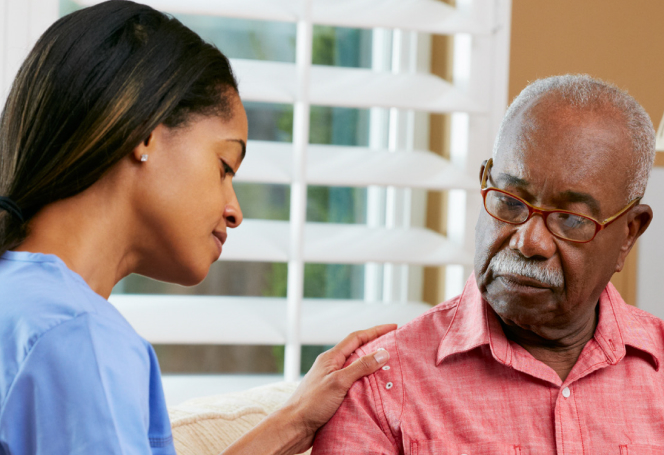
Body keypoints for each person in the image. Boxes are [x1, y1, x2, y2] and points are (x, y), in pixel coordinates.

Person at [0, 2, 395, 454]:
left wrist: (294, 422)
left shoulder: (25, 303)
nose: (235, 211)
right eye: (224, 166)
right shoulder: (77, 337)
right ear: (143, 133)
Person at [312, 74, 663, 454]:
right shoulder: (379, 384)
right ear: (484, 182)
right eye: (510, 202)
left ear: (629, 233)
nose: (528, 242)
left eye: (571, 219)